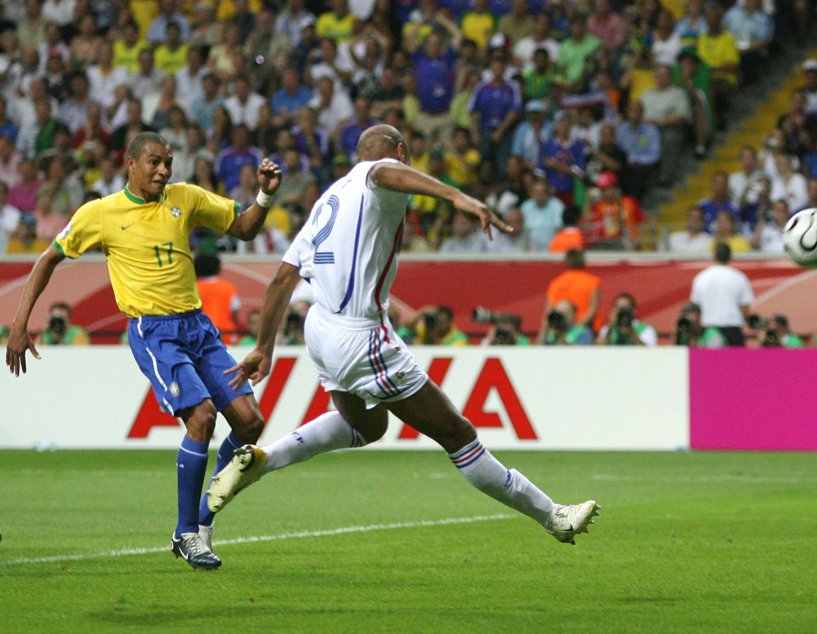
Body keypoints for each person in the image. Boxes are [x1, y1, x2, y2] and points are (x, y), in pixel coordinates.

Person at [213, 124, 599, 547]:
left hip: (320, 330)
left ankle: (264, 459)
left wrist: (264, 347)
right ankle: (553, 515)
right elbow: (383, 173)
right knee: (457, 434)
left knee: (367, 424)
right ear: (400, 151)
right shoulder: (377, 174)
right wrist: (457, 196)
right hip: (360, 334)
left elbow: (283, 279)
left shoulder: (328, 198)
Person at [6, 132, 278, 570]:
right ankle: (186, 532)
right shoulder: (102, 213)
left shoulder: (184, 198)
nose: (164, 171)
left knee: (250, 422)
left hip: (199, 327)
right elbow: (48, 259)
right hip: (155, 331)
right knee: (203, 417)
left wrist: (264, 196)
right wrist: (20, 325)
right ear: (130, 163)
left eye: (168, 162)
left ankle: (204, 519)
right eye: (154, 162)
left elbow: (244, 228)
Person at [690, 242, 754, 346]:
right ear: (730, 256)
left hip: (709, 330)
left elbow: (696, 308)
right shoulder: (739, 278)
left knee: (711, 362)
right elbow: (745, 308)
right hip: (733, 329)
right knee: (735, 362)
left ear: (714, 255)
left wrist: (697, 332)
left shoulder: (701, 278)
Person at [544, 248, 602, 335]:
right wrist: (577, 329)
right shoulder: (592, 282)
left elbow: (549, 311)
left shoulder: (556, 283)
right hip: (584, 329)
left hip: (560, 328)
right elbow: (593, 310)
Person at [194, 253, 241, 343]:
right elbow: (235, 315)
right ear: (218, 269)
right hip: (227, 337)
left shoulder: (192, 288)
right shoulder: (228, 287)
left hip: (200, 337)